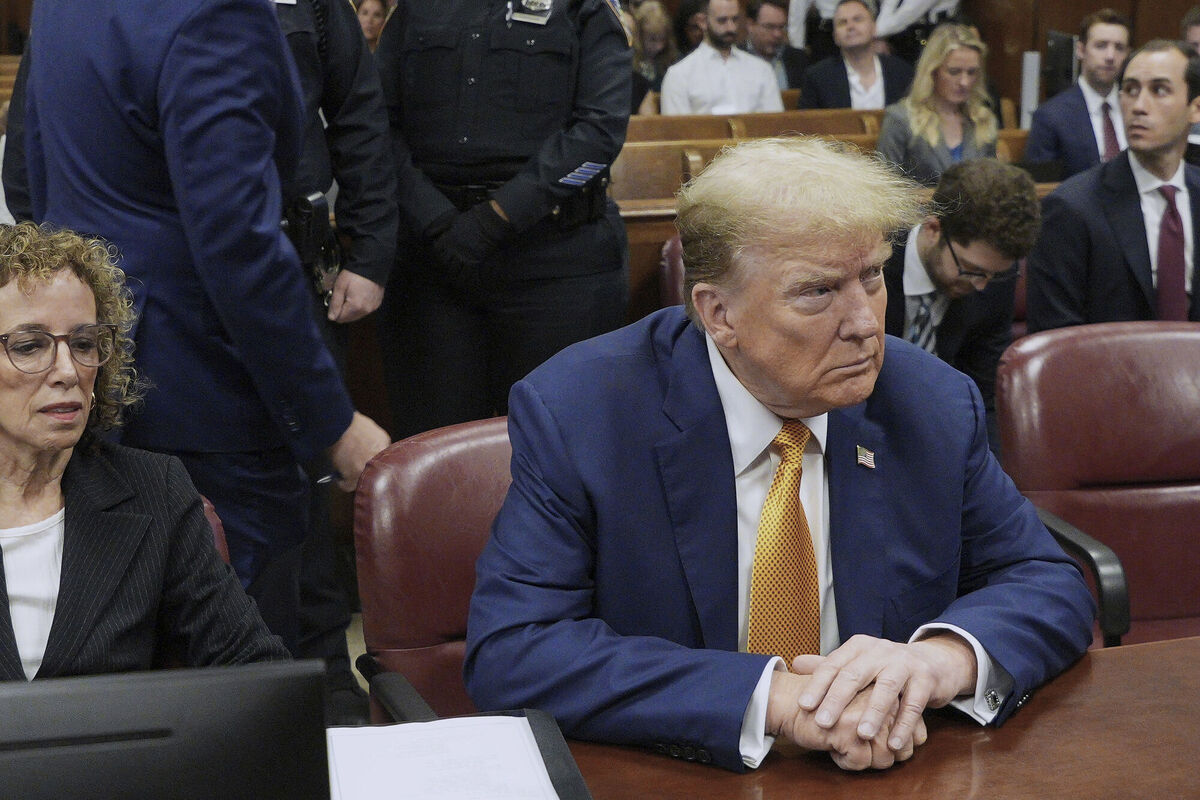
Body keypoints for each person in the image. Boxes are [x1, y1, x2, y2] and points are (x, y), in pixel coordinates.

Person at [464, 136, 1093, 773]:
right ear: (719, 313)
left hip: (888, 773)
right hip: (682, 776)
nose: (865, 323)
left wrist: (937, 660)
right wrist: (776, 699)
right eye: (817, 291)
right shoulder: (584, 413)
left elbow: (1046, 581)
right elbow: (516, 649)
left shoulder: (928, 402)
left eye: (872, 276)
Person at [17, 0, 391, 656]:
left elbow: (32, 174)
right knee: (239, 655)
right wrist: (333, 423)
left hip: (93, 369)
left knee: (120, 639)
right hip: (207, 385)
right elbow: (237, 245)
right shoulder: (215, 12)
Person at [0, 222, 289, 682]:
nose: (68, 371)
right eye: (30, 346)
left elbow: (259, 674)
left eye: (84, 343)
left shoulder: (155, 492)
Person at [374, 0, 632, 441]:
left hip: (555, 262)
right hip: (435, 260)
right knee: (435, 450)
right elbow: (377, 123)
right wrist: (435, 220)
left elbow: (600, 132)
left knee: (559, 447)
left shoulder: (584, 7)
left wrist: (496, 218)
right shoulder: (415, 8)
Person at [274, 0, 398, 723]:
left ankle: (324, 676)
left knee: (310, 473)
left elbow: (358, 116)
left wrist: (370, 252)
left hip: (296, 266)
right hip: (165, 287)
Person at [1027, 40, 1200, 331]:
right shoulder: (1072, 209)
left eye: (1159, 90)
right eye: (1130, 90)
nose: (1139, 107)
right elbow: (1054, 340)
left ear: (1195, 109)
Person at [883, 159, 1040, 451]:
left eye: (993, 274)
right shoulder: (876, 262)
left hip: (941, 432)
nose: (981, 286)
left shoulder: (993, 278)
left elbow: (983, 395)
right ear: (933, 229)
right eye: (972, 270)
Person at [876, 23, 996, 186]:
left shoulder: (982, 119)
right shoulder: (900, 119)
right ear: (932, 71)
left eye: (971, 72)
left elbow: (990, 187)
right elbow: (885, 187)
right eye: (954, 72)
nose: (964, 82)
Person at [1024, 9, 1131, 181]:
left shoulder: (1136, 108)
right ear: (1080, 50)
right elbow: (1040, 187)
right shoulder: (1051, 116)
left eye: (1119, 48)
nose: (1110, 56)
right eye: (1101, 46)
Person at [661, 0, 784, 115]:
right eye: (722, 20)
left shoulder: (761, 70)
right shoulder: (679, 75)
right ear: (702, 21)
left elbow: (774, 123)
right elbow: (677, 128)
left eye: (735, 19)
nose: (731, 27)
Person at [799, 0, 913, 110]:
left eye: (858, 19)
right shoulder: (817, 78)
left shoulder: (901, 72)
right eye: (842, 22)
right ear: (835, 36)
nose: (850, 26)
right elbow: (807, 121)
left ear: (874, 28)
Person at [741, 0, 808, 91]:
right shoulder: (733, 58)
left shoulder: (798, 59)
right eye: (770, 27)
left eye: (781, 27)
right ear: (750, 25)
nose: (777, 34)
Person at [634, 1, 677, 94]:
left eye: (663, 39)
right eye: (653, 39)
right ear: (639, 35)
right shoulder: (629, 62)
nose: (659, 46)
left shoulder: (672, 59)